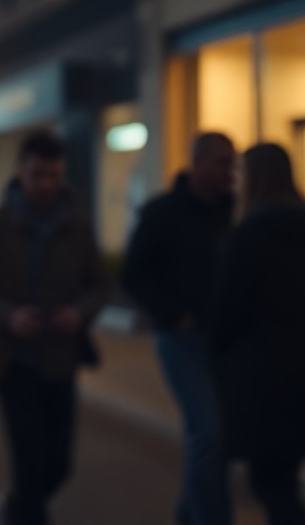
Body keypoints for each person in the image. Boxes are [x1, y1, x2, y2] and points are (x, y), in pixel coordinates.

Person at [0, 130, 112, 525]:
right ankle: (25, 513)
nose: (46, 185)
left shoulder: (76, 225)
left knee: (59, 462)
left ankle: (14, 509)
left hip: (61, 358)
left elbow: (100, 283)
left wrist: (79, 312)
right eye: (38, 174)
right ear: (20, 171)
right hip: (14, 361)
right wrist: (8, 316)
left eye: (54, 175)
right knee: (28, 457)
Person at [210, 144, 305, 525]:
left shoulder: (246, 239)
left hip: (264, 385)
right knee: (283, 479)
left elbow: (225, 316)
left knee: (271, 486)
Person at [122, 132, 236, 525]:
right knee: (207, 433)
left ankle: (191, 514)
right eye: (222, 163)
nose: (230, 173)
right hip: (182, 339)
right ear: (197, 163)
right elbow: (132, 275)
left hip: (224, 340)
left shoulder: (232, 213)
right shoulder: (163, 212)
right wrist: (173, 315)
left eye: (233, 163)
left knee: (216, 436)